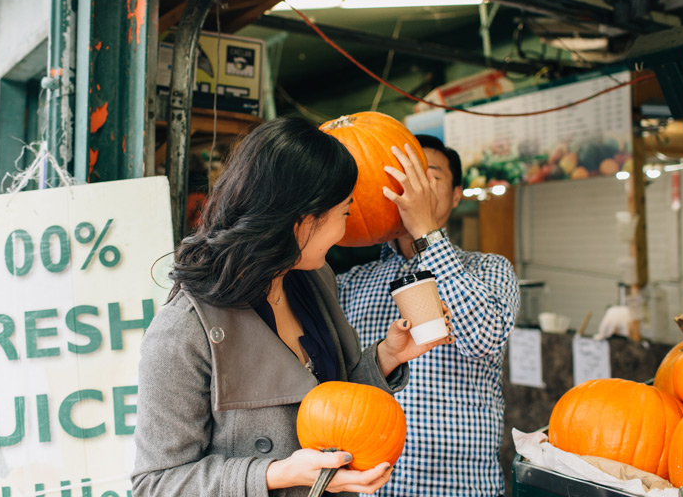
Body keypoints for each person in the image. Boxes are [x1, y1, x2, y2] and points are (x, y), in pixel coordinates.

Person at [132, 117, 450, 497]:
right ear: (302, 220)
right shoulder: (184, 330)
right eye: (345, 213)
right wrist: (278, 473)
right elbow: (155, 483)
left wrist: (385, 357)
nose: (346, 230)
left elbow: (331, 408)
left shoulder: (314, 282)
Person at [337, 134, 520, 497]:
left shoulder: (490, 270)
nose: (412, 186)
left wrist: (425, 233)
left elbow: (481, 338)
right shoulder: (348, 283)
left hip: (459, 488)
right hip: (367, 487)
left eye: (428, 175)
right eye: (403, 174)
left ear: (455, 196)